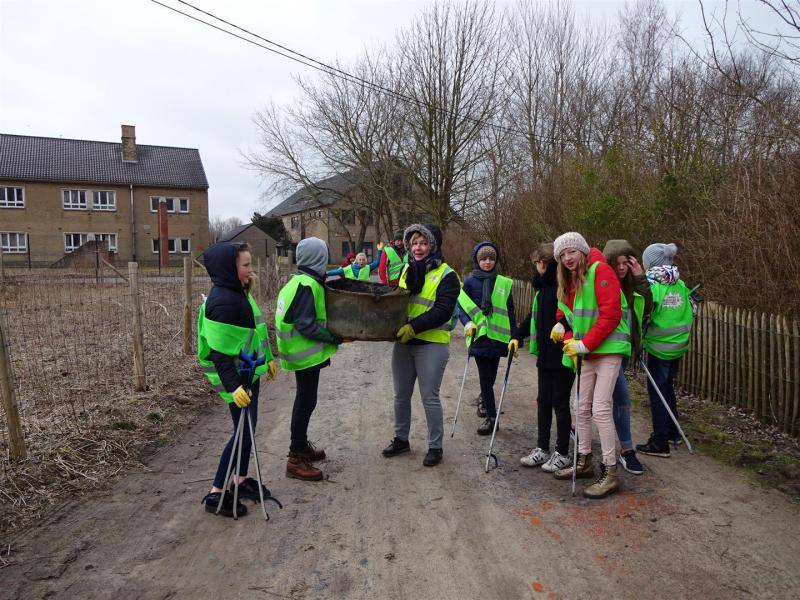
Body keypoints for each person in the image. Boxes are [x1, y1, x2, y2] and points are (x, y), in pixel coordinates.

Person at [198, 242, 278, 518]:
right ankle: (216, 491)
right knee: (242, 432)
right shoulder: (222, 302)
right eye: (245, 265)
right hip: (237, 381)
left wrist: (266, 357)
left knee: (248, 428)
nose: (250, 270)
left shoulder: (239, 293)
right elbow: (220, 355)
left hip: (248, 372)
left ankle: (241, 479)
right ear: (230, 268)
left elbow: (254, 331)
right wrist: (233, 388)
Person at [550, 232, 631, 499]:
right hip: (588, 351)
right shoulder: (570, 278)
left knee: (600, 408)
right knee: (580, 406)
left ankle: (610, 472)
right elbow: (571, 314)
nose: (567, 258)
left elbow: (610, 315)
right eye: (562, 255)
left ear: (582, 251)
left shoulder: (600, 270)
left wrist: (584, 345)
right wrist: (563, 326)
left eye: (571, 252)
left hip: (607, 350)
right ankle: (583, 460)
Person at [383, 223, 460, 467]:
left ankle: (435, 446)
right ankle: (401, 439)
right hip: (404, 343)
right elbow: (399, 302)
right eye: (414, 243)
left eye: (423, 243)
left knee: (429, 397)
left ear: (433, 245)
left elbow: (443, 311)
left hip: (432, 343)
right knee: (401, 395)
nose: (418, 248)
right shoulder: (408, 270)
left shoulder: (447, 275)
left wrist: (413, 327)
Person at [276, 237, 344, 481]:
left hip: (298, 353)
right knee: (305, 402)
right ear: (319, 258)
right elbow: (306, 325)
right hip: (304, 355)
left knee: (306, 400)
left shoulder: (298, 281)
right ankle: (295, 458)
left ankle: (301, 446)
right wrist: (334, 337)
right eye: (324, 256)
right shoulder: (308, 286)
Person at [509, 243, 574, 473]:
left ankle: (563, 452)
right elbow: (533, 317)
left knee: (560, 402)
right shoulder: (540, 289)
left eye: (544, 263)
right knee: (543, 401)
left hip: (564, 353)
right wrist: (517, 336)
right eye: (537, 263)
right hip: (545, 353)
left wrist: (563, 324)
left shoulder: (565, 285)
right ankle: (542, 448)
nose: (540, 267)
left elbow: (575, 313)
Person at [635, 243, 694, 458]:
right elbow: (690, 309)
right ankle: (672, 431)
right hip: (678, 346)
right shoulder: (680, 283)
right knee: (667, 387)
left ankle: (660, 441)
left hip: (659, 348)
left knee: (657, 392)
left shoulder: (652, 285)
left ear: (650, 263)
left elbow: (644, 313)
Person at [603, 240, 653, 475]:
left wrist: (640, 276)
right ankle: (626, 449)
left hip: (623, 351)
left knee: (600, 396)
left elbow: (648, 307)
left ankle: (577, 429)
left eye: (626, 262)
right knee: (621, 397)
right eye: (617, 262)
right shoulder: (601, 284)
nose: (622, 267)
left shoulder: (633, 287)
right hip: (604, 351)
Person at [456, 242, 515, 435]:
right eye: (483, 259)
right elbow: (461, 307)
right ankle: (491, 417)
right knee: (484, 378)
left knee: (491, 377)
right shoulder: (470, 282)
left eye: (491, 258)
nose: (487, 262)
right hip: (480, 337)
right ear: (477, 260)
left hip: (498, 338)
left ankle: (486, 402)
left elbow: (510, 311)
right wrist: (467, 323)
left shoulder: (503, 283)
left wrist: (515, 337)